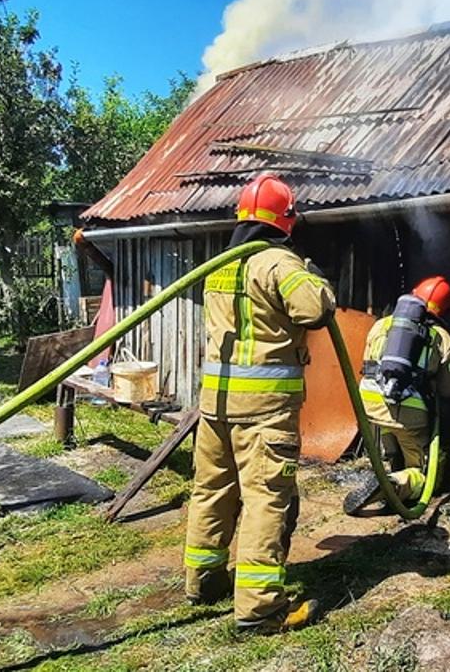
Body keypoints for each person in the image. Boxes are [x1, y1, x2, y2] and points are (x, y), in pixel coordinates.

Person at [185, 173, 335, 633]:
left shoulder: (221, 264)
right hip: (264, 413)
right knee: (266, 502)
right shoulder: (278, 263)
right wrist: (312, 275)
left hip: (215, 407)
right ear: (285, 220)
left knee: (210, 492)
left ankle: (204, 582)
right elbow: (318, 309)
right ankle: (260, 608)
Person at [346, 276, 450, 514]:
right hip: (409, 411)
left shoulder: (382, 325)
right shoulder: (441, 337)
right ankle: (392, 486)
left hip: (371, 404)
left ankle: (387, 472)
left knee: (390, 450)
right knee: (422, 471)